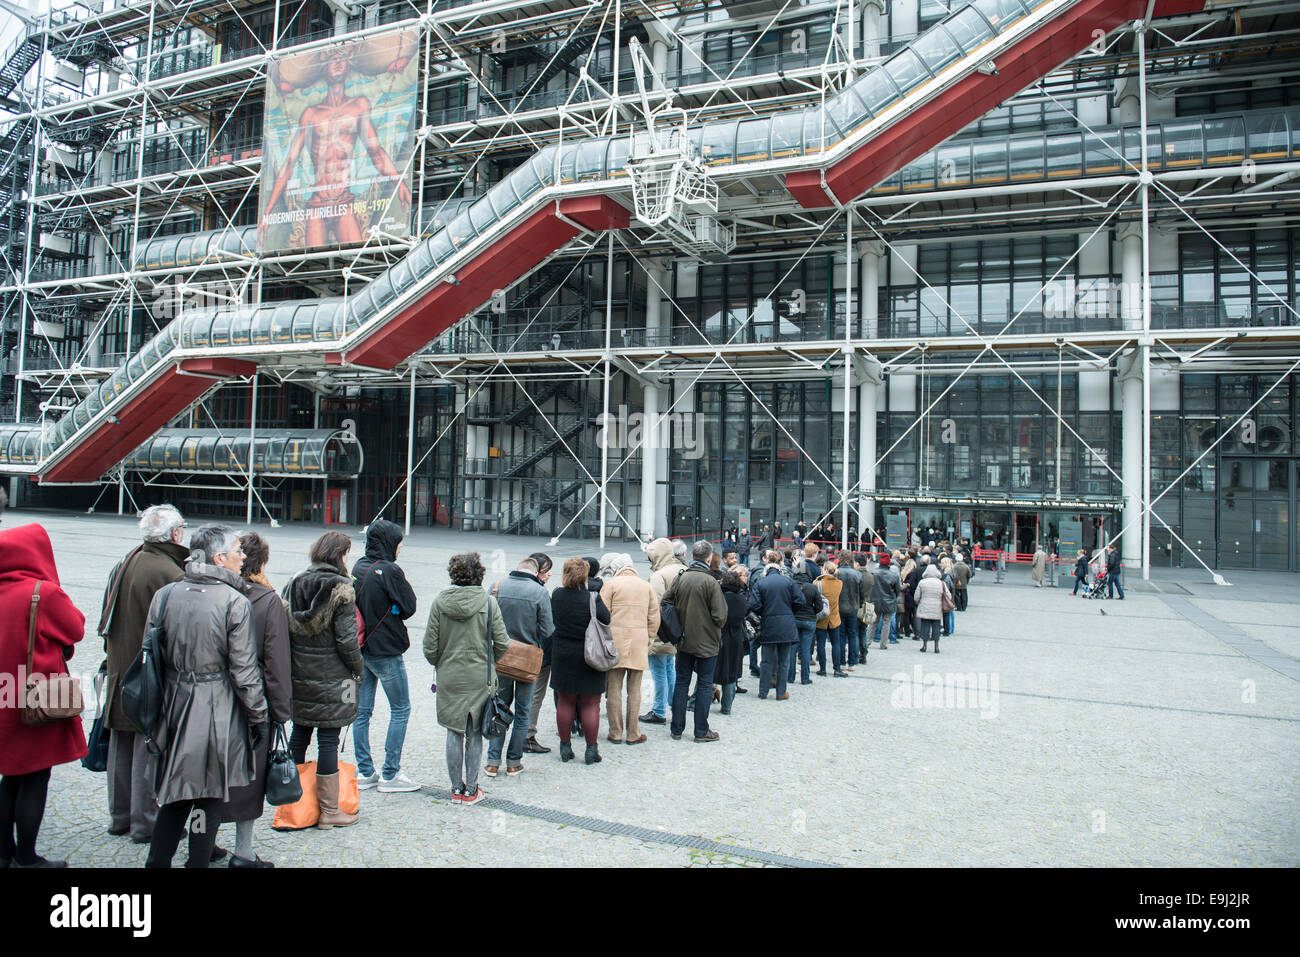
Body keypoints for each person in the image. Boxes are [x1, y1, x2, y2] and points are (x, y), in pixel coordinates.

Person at [145, 525, 267, 868]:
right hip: (215, 704)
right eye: (237, 551)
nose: (243, 557)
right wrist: (258, 716)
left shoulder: (166, 594)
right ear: (218, 558)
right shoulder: (234, 601)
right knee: (209, 793)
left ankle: (157, 862)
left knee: (175, 791)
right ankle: (196, 862)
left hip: (172, 702)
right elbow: (245, 671)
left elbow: (149, 653)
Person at [0, 523, 87, 868]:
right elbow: (76, 628)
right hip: (36, 698)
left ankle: (3, 852)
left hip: (4, 695)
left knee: (10, 774)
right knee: (35, 776)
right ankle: (27, 855)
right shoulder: (43, 593)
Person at [100, 504, 188, 844]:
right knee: (146, 746)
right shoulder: (170, 572)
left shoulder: (127, 561)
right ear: (175, 533)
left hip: (121, 666)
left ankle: (120, 815)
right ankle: (146, 822)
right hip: (149, 672)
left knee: (121, 744)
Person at [220, 532, 291, 868]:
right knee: (249, 777)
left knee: (207, 772)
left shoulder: (214, 591)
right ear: (262, 561)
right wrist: (280, 710)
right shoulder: (268, 600)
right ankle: (243, 851)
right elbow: (277, 662)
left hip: (212, 697)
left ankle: (202, 840)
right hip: (252, 700)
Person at [284, 531, 362, 828]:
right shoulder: (342, 589)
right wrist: (358, 670)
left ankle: (292, 804)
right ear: (339, 555)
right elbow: (346, 640)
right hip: (336, 678)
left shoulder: (293, 583)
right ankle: (329, 811)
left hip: (301, 675)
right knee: (329, 738)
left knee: (299, 735)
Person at [423, 552, 509, 804]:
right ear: (479, 574)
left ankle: (455, 788)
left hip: (449, 675)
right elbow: (503, 642)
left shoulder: (440, 602)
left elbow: (430, 646)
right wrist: (488, 659)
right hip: (479, 676)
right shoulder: (488, 603)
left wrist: (442, 661)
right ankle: (471, 789)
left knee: (454, 729)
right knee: (475, 730)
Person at [350, 520, 420, 793]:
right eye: (399, 541)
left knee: (362, 712)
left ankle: (365, 770)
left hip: (361, 648)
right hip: (386, 651)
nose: (401, 546)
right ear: (391, 543)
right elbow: (410, 606)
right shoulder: (390, 570)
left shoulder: (358, 566)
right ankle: (390, 773)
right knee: (401, 709)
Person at [485, 557, 553, 778]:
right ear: (535, 573)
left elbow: (484, 622)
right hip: (527, 660)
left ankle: (492, 761)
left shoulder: (496, 587)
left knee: (499, 706)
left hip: (500, 657)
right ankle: (514, 762)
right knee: (523, 711)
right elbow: (547, 629)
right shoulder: (539, 593)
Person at [664, 541, 727, 742]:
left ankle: (676, 728)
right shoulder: (711, 583)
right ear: (709, 559)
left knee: (682, 682)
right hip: (707, 642)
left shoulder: (681, 577)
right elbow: (720, 617)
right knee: (704, 683)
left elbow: (665, 602)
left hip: (683, 640)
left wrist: (679, 620)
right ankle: (701, 730)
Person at [550, 558, 611, 764]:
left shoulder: (557, 595)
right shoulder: (592, 598)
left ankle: (565, 746)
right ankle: (591, 749)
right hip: (589, 654)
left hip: (563, 654)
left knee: (565, 701)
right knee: (590, 703)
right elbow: (606, 619)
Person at [599, 553, 657, 745]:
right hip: (639, 642)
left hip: (615, 643)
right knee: (635, 690)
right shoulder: (646, 586)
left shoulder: (611, 585)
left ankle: (615, 732)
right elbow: (654, 617)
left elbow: (602, 615)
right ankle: (633, 733)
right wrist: (649, 637)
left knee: (613, 689)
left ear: (616, 569)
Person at [641, 538, 684, 726]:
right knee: (669, 669)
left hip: (662, 630)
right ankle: (674, 705)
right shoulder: (682, 569)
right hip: (678, 629)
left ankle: (659, 710)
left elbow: (654, 606)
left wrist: (650, 632)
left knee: (659, 670)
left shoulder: (659, 575)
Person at [749, 551, 803, 699]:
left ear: (767, 563)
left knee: (766, 660)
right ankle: (781, 692)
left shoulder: (761, 582)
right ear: (781, 564)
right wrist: (789, 611)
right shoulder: (789, 582)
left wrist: (764, 611)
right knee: (784, 661)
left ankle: (763, 691)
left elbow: (754, 605)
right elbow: (800, 601)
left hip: (769, 623)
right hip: (787, 624)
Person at [523, 553, 555, 754]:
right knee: (535, 695)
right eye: (546, 571)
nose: (550, 574)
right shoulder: (540, 593)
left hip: (512, 651)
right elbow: (547, 627)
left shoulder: (506, 586)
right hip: (537, 652)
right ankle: (527, 735)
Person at [715, 567, 749, 713]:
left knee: (709, 671)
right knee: (731, 674)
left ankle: (694, 701)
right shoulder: (741, 599)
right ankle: (727, 706)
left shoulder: (719, 598)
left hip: (718, 636)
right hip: (736, 638)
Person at [787, 554, 820, 684]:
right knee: (806, 650)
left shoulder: (790, 585)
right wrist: (812, 612)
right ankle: (805, 678)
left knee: (792, 649)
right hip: (809, 619)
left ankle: (790, 676)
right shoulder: (813, 587)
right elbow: (819, 606)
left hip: (794, 618)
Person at [814, 559, 846, 677]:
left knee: (821, 644)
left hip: (822, 617)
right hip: (834, 617)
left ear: (825, 570)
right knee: (836, 643)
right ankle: (837, 669)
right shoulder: (839, 583)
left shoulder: (818, 583)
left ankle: (822, 668)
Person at [836, 549, 864, 671]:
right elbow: (861, 594)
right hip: (853, 607)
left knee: (841, 636)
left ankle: (841, 662)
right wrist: (860, 604)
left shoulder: (837, 573)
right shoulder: (857, 574)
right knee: (852, 635)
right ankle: (852, 663)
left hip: (839, 607)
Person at [914, 565, 950, 654]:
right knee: (936, 626)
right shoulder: (941, 583)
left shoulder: (922, 582)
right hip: (937, 607)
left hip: (925, 606)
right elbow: (948, 596)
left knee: (925, 625)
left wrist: (919, 602)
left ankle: (924, 645)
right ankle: (936, 646)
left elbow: (916, 597)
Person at [870, 553, 901, 650]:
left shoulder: (873, 573)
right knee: (887, 622)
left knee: (873, 622)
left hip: (875, 600)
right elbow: (897, 590)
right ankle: (883, 644)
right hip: (889, 602)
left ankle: (867, 641)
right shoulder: (894, 575)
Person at [855, 553, 874, 663]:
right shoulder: (871, 576)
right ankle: (864, 654)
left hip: (857, 605)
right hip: (867, 606)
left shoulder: (856, 575)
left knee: (856, 631)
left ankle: (856, 654)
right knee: (863, 631)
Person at [939, 556, 957, 638]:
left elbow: (947, 586)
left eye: (942, 563)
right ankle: (951, 628)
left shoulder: (947, 573)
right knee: (950, 611)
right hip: (951, 594)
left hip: (947, 594)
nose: (941, 565)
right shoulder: (953, 570)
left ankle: (948, 629)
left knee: (947, 613)